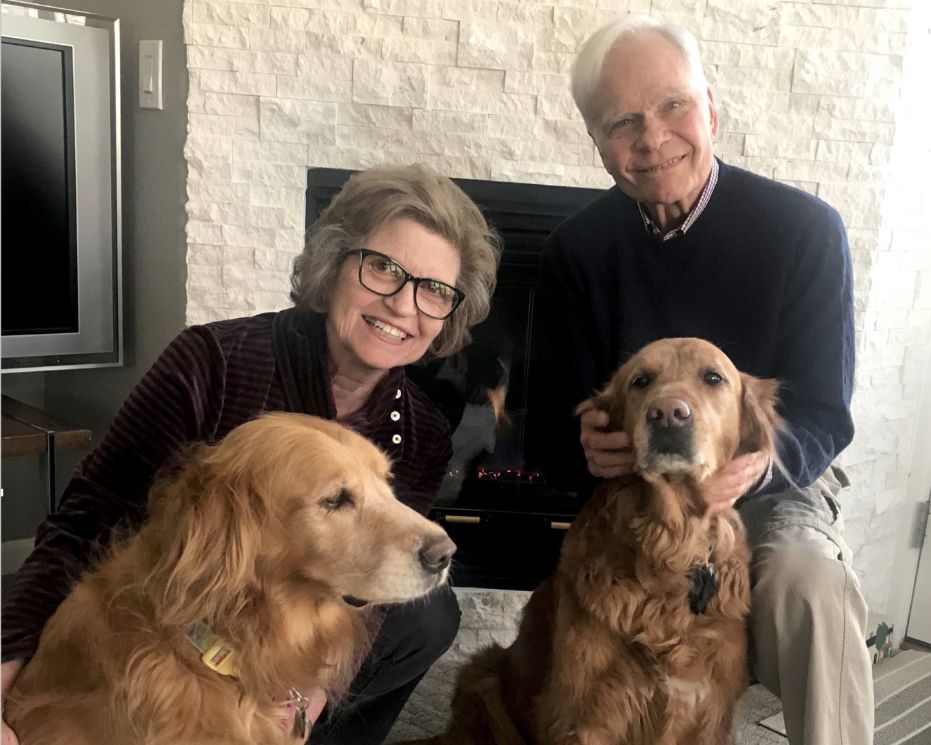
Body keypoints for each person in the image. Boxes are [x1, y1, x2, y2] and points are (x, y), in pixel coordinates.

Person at [0, 163, 502, 745]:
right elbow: (86, 519)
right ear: (334, 264)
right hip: (165, 617)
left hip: (280, 640)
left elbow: (370, 581)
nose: (402, 304)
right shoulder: (212, 362)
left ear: (449, 315)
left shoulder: (419, 427)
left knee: (428, 617)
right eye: (383, 267)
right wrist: (8, 665)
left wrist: (303, 707)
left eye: (434, 289)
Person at [526, 15, 872, 745]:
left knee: (811, 585)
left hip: (769, 480)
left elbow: (820, 416)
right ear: (597, 142)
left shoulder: (803, 230)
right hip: (632, 497)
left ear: (711, 108)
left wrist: (748, 470)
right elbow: (546, 428)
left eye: (672, 105)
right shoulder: (575, 251)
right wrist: (583, 446)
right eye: (622, 121)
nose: (652, 137)